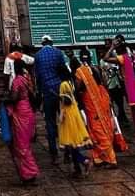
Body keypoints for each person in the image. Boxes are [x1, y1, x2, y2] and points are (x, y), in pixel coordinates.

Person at [72, 49, 117, 168]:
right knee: (104, 127)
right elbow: (104, 84)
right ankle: (99, 157)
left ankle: (111, 159)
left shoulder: (80, 72)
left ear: (81, 58)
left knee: (97, 129)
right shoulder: (96, 68)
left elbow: (78, 87)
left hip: (91, 103)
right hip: (102, 100)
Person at [34, 35, 66, 164]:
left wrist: (40, 93)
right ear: (51, 42)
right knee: (64, 120)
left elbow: (37, 76)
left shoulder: (38, 56)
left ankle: (53, 153)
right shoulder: (58, 53)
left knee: (50, 122)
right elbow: (63, 71)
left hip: (47, 92)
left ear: (42, 44)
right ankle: (68, 150)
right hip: (60, 90)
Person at [7, 58, 40, 184]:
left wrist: (7, 100)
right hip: (28, 110)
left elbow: (14, 97)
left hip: (21, 111)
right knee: (25, 142)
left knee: (22, 144)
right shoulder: (27, 79)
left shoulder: (17, 81)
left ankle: (29, 172)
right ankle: (28, 172)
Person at [57, 63, 92, 177]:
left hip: (68, 115)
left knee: (71, 143)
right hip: (74, 112)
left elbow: (65, 102)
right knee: (73, 144)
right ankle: (78, 168)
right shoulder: (70, 82)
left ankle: (84, 162)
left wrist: (60, 101)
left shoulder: (63, 84)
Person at [101, 53, 129, 130]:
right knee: (110, 105)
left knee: (120, 104)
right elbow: (103, 74)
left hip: (118, 84)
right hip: (109, 86)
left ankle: (122, 118)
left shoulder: (117, 60)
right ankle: (114, 120)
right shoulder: (103, 62)